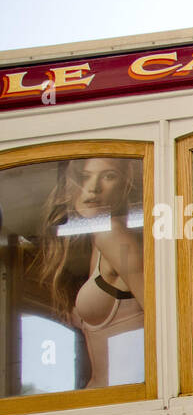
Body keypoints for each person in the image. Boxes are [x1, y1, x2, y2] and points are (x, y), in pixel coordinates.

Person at [35, 157, 145, 389]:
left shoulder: (113, 236)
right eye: (85, 177)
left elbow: (164, 321)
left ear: (125, 185)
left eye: (108, 176)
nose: (93, 187)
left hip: (127, 407)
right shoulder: (97, 239)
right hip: (106, 403)